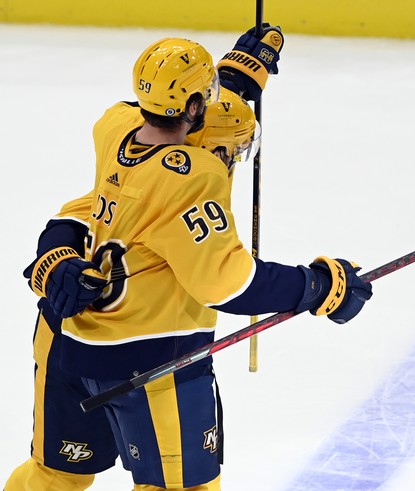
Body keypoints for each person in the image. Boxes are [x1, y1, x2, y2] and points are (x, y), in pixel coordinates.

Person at [6, 31, 373, 491]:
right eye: (232, 152)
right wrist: (319, 287)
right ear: (199, 121)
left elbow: (96, 199)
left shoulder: (117, 127)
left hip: (63, 340)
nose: (231, 160)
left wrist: (236, 77)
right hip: (151, 361)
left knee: (54, 476)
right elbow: (226, 284)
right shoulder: (194, 179)